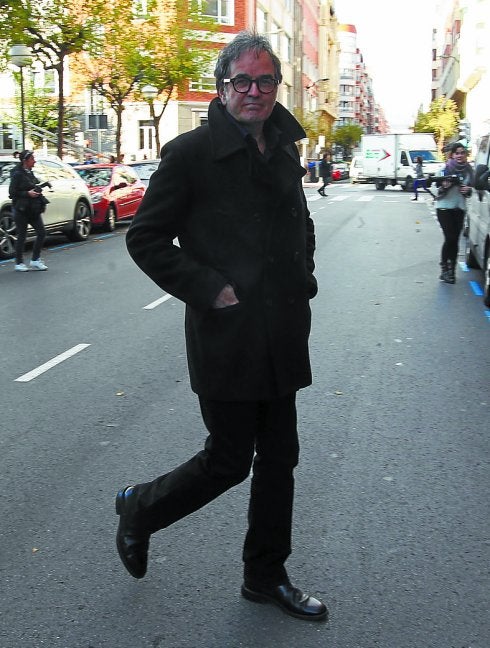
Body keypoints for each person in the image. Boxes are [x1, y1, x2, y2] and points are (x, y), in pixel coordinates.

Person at [117, 30, 327, 622]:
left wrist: (304, 275)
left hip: (283, 329)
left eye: (265, 81)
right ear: (222, 87)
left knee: (280, 457)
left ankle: (266, 575)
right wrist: (212, 289)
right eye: (242, 81)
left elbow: (300, 222)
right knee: (230, 459)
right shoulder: (190, 154)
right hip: (228, 335)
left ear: (276, 86)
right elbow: (145, 238)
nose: (254, 91)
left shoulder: (282, 146)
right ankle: (141, 507)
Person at [435, 143, 474, 283]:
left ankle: (452, 270)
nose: (460, 155)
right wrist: (444, 186)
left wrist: (468, 190)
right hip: (444, 208)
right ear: (452, 155)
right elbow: (436, 188)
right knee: (450, 237)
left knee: (455, 239)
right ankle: (444, 268)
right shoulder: (445, 169)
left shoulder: (469, 171)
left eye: (462, 153)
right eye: (457, 153)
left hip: (459, 209)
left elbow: (474, 189)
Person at [8, 150, 49, 272]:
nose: (34, 161)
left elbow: (32, 185)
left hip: (32, 208)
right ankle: (19, 263)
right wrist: (27, 193)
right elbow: (12, 192)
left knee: (41, 232)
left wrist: (40, 188)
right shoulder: (17, 174)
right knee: (22, 235)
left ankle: (35, 260)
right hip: (21, 209)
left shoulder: (30, 172)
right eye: (32, 159)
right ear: (25, 161)